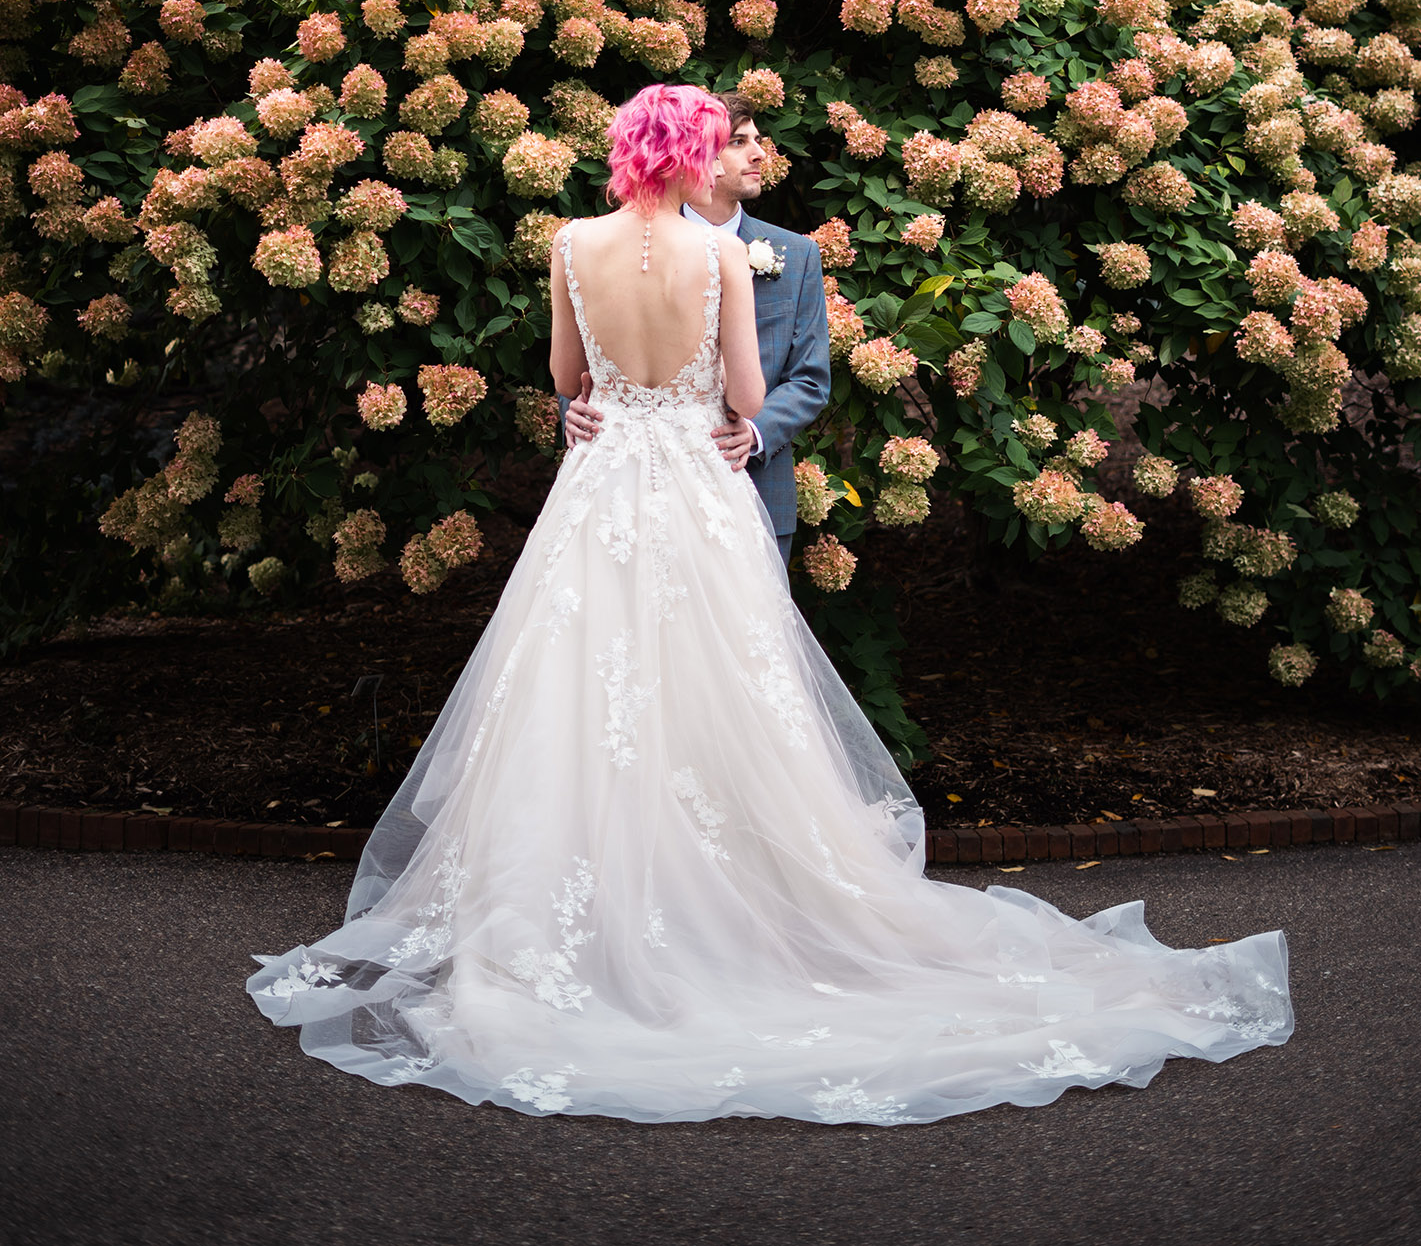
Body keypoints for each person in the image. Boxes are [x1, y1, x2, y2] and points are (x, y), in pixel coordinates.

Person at [248, 83, 1292, 1124]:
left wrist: (608, 396)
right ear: (689, 153)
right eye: (714, 147)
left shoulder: (569, 244)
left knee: (580, 694)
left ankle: (584, 919)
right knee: (727, 697)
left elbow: (567, 377)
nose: (722, 164)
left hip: (604, 491)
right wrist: (700, 382)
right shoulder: (717, 258)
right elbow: (746, 398)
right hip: (699, 494)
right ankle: (734, 912)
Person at [561, 92, 828, 566]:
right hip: (657, 477)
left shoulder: (797, 255)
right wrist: (576, 409)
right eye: (729, 144)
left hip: (735, 483)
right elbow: (576, 383)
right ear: (688, 153)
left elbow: (810, 377)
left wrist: (756, 431)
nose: (753, 156)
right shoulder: (720, 254)